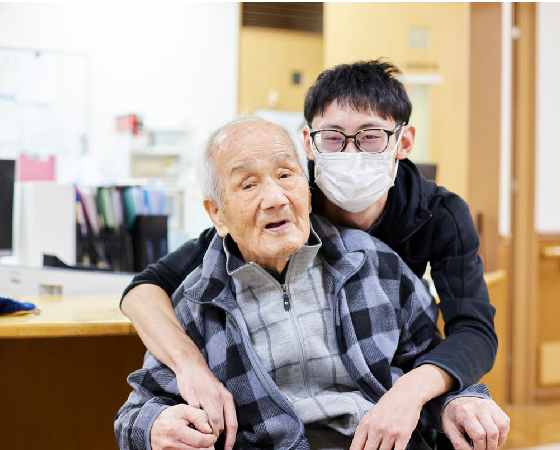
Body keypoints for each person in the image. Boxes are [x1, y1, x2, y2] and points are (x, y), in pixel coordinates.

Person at [121, 59, 509, 449]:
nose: (274, 198)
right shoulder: (209, 288)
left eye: (371, 136)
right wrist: (186, 373)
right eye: (334, 138)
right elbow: (147, 289)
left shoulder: (389, 261)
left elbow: (461, 336)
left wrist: (437, 396)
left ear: (402, 143)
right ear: (311, 146)